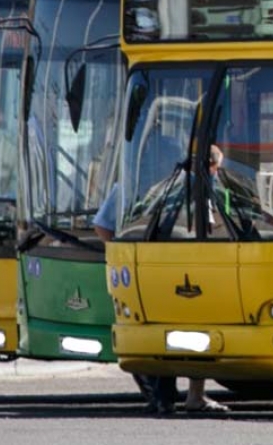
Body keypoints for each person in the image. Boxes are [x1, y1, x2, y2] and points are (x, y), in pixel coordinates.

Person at [92, 143, 230, 415]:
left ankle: (161, 396)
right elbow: (212, 228)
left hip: (147, 262)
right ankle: (193, 396)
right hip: (190, 264)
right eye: (218, 168)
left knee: (157, 326)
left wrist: (126, 250)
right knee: (195, 329)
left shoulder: (136, 185)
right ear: (211, 167)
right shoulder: (201, 186)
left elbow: (101, 226)